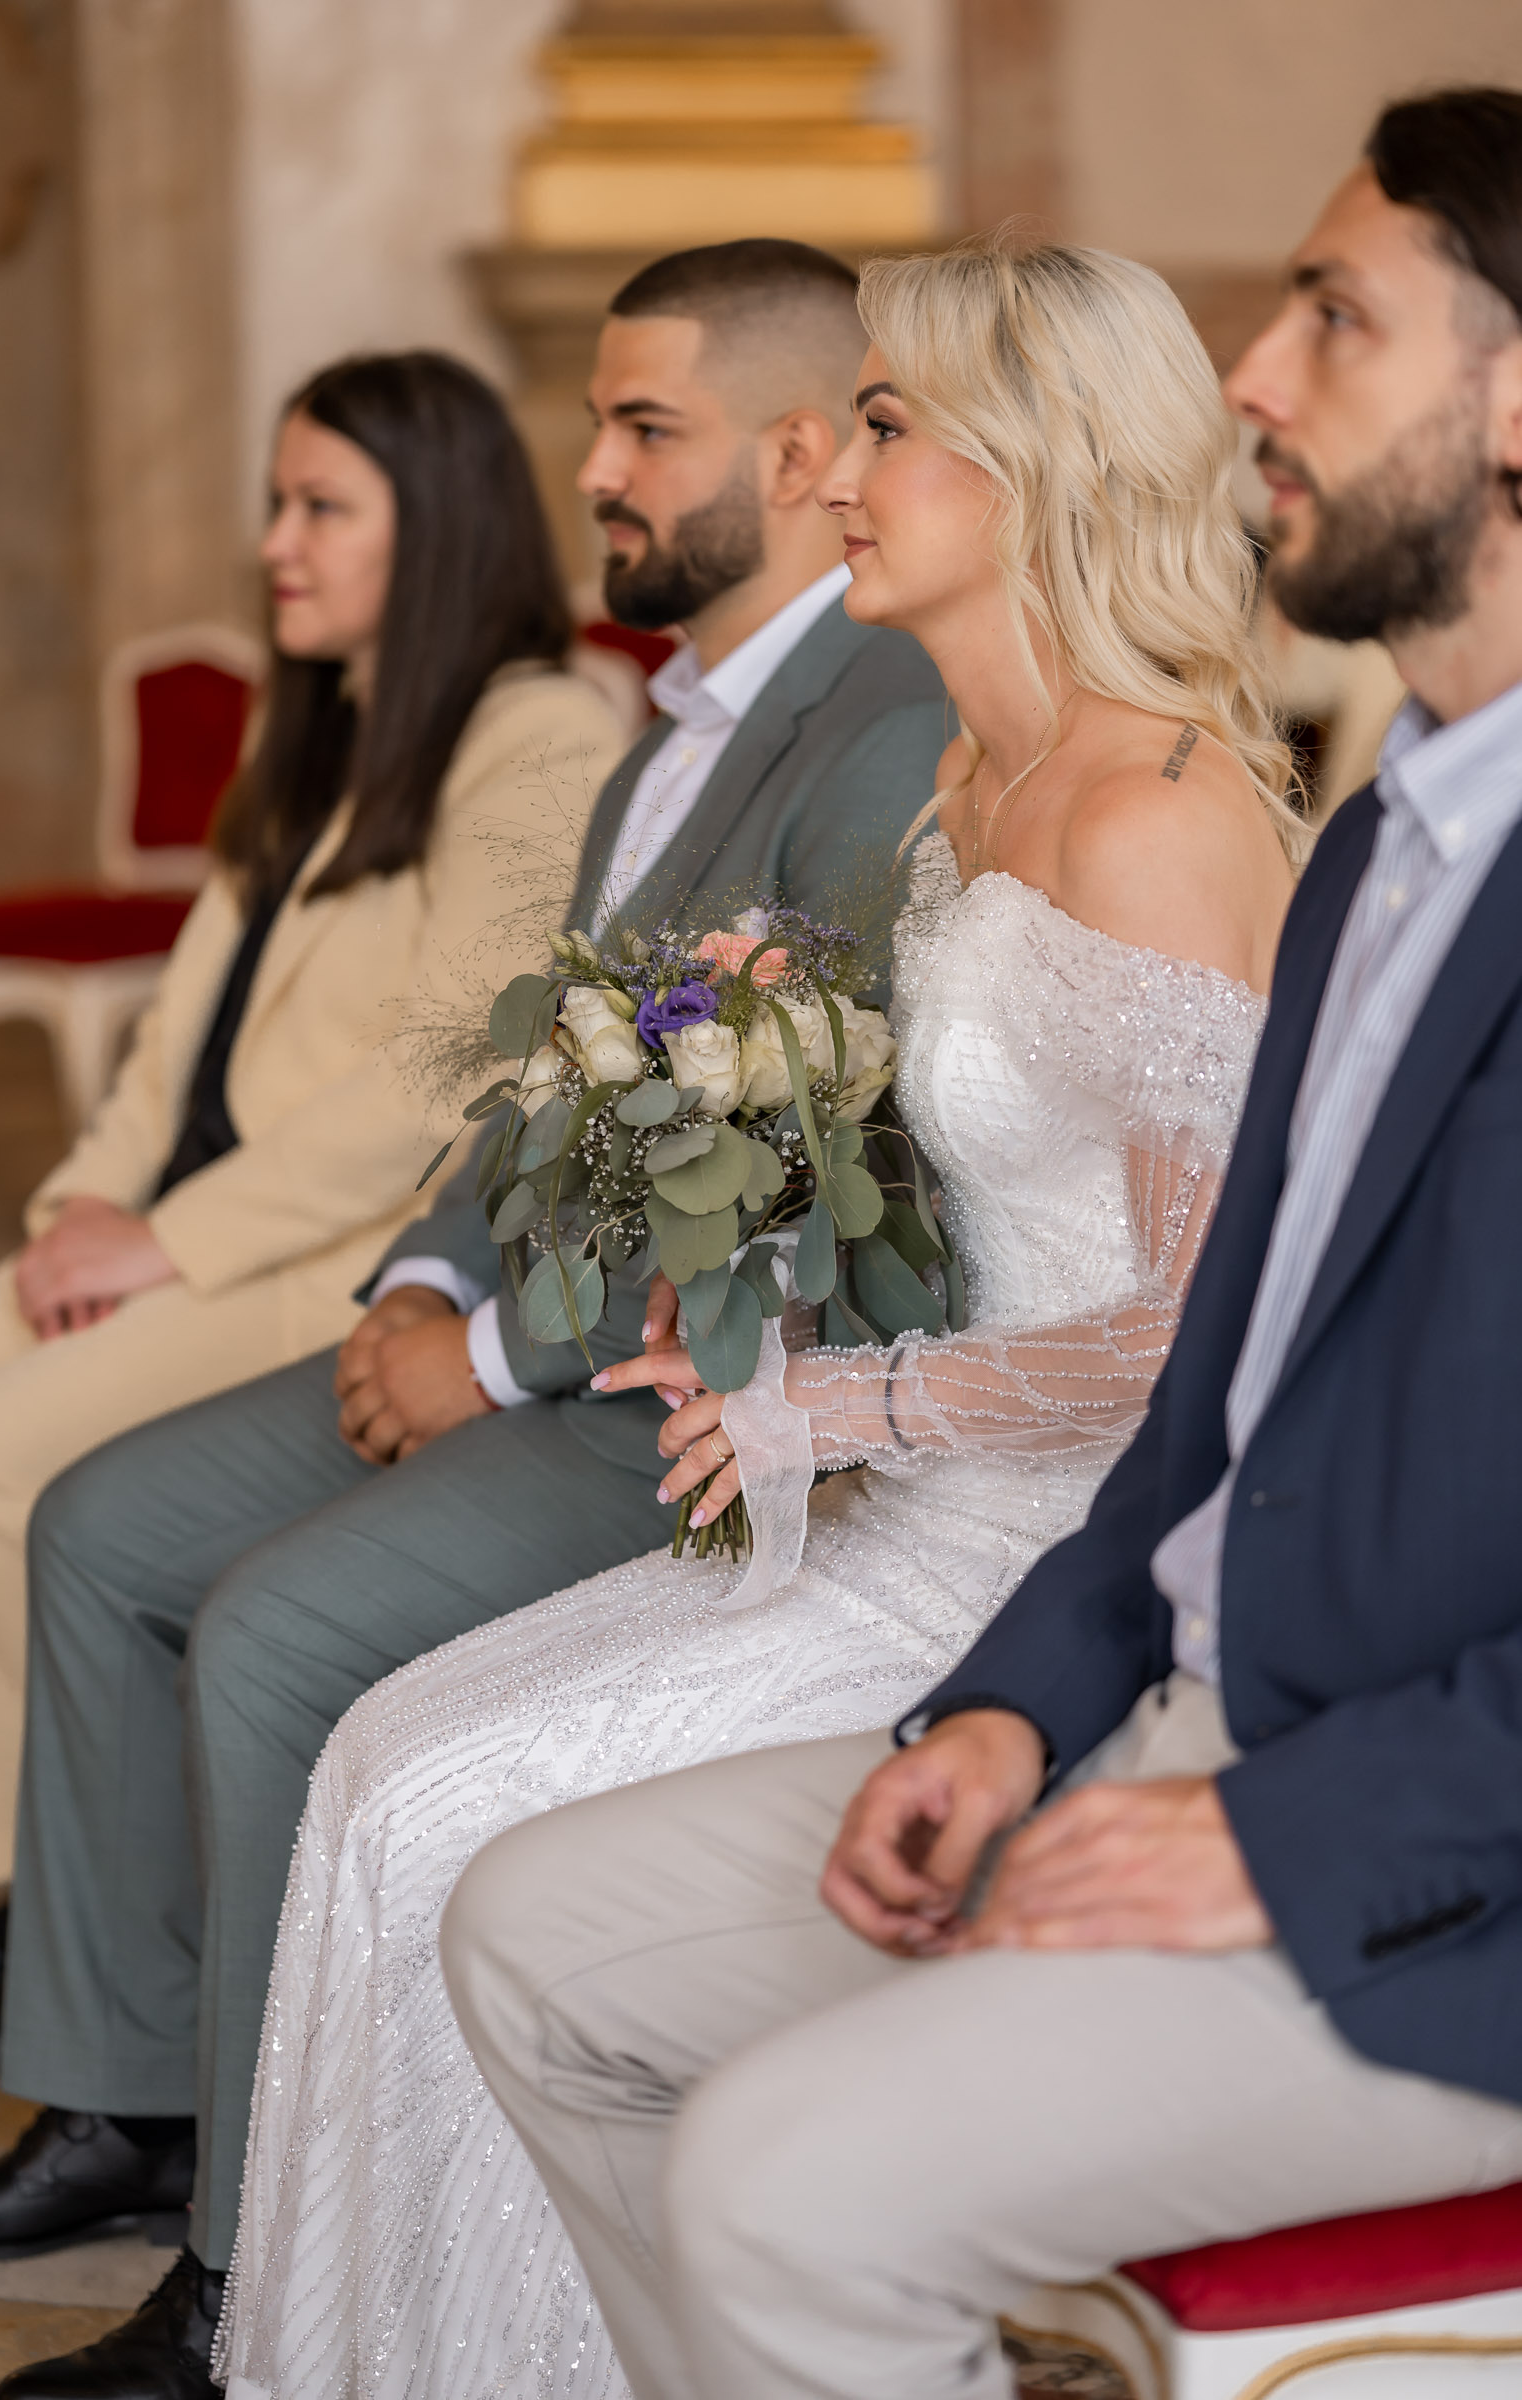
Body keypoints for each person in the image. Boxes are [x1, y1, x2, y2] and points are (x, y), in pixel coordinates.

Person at [444, 86, 1522, 2400]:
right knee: (527, 1934)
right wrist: (1022, 1704)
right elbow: (1227, 1403)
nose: (1251, 375)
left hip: (1434, 1869)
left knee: (776, 2184)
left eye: (1334, 318)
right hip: (1165, 1697)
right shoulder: (1380, 851)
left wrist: (1286, 1832)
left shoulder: (1212, 826)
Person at [212, 235, 1301, 2400]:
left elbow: (1203, 1339)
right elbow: (973, 1202)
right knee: (381, 1760)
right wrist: (752, 1245)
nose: (840, 476)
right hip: (899, 1498)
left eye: (886, 428)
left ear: (1033, 463)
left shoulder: (1156, 818)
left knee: (438, 1815)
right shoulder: (966, 791)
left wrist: (853, 1403)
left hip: (1054, 1572)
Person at [0, 240, 948, 2400]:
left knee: (272, 1631)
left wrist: (486, 1358)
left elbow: (777, 1169)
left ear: (796, 453)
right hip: (504, 1307)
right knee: (101, 1526)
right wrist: (421, 1280)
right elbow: (534, 1086)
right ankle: (131, 2088)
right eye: (594, 424)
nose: (595, 471)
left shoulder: (876, 731)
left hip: (674, 1392)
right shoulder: (659, 735)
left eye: (642, 428)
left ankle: (241, 2286)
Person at [0, 346, 619, 1929]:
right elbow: (179, 1027)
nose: (273, 544)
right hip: (184, 1213)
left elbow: (444, 1069)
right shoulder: (312, 727)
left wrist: (163, 1243)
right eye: (275, 504)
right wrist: (83, 1204)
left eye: (320, 508)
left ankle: (73, 1927)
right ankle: (39, 1884)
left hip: (330, 1251)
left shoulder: (537, 736)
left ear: (434, 523)